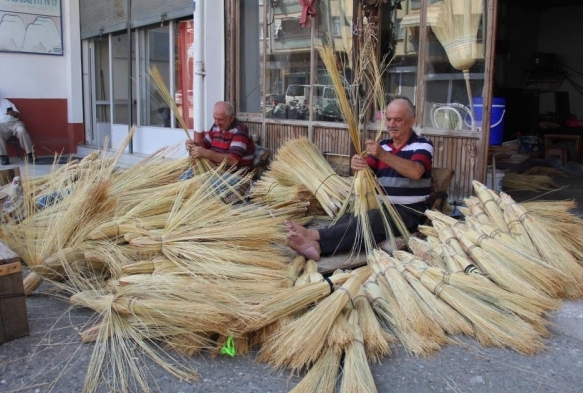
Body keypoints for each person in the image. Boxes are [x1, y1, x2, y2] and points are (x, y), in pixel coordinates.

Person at [286, 97, 434, 261]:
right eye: (389, 119)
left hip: (409, 211)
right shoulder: (383, 145)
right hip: (381, 206)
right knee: (348, 218)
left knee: (372, 220)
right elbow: (366, 173)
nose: (392, 124)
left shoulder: (422, 145)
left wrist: (383, 155)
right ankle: (317, 244)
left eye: (398, 120)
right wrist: (357, 165)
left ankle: (315, 239)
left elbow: (416, 172)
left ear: (411, 121)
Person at [180, 101, 256, 199]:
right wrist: (194, 144)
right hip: (214, 170)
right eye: (215, 118)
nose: (216, 122)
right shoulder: (216, 127)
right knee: (183, 179)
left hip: (234, 174)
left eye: (220, 119)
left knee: (201, 190)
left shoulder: (239, 131)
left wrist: (206, 153)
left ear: (231, 118)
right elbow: (204, 144)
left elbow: (233, 160)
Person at [0, 98, 34, 165]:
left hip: (14, 123)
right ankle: (4, 156)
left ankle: (30, 154)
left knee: (21, 130)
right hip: (1, 126)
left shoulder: (6, 102)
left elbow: (17, 114)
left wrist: (13, 113)